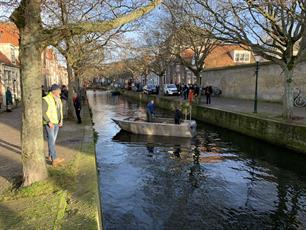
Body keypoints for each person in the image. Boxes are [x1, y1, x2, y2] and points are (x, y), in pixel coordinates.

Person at [42, 84, 64, 166]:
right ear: (54, 91)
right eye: (59, 91)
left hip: (57, 123)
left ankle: (50, 156)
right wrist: (48, 121)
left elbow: (59, 111)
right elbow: (43, 112)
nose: (60, 92)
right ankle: (54, 159)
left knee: (53, 140)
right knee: (51, 139)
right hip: (50, 123)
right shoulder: (46, 99)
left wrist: (61, 120)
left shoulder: (58, 99)